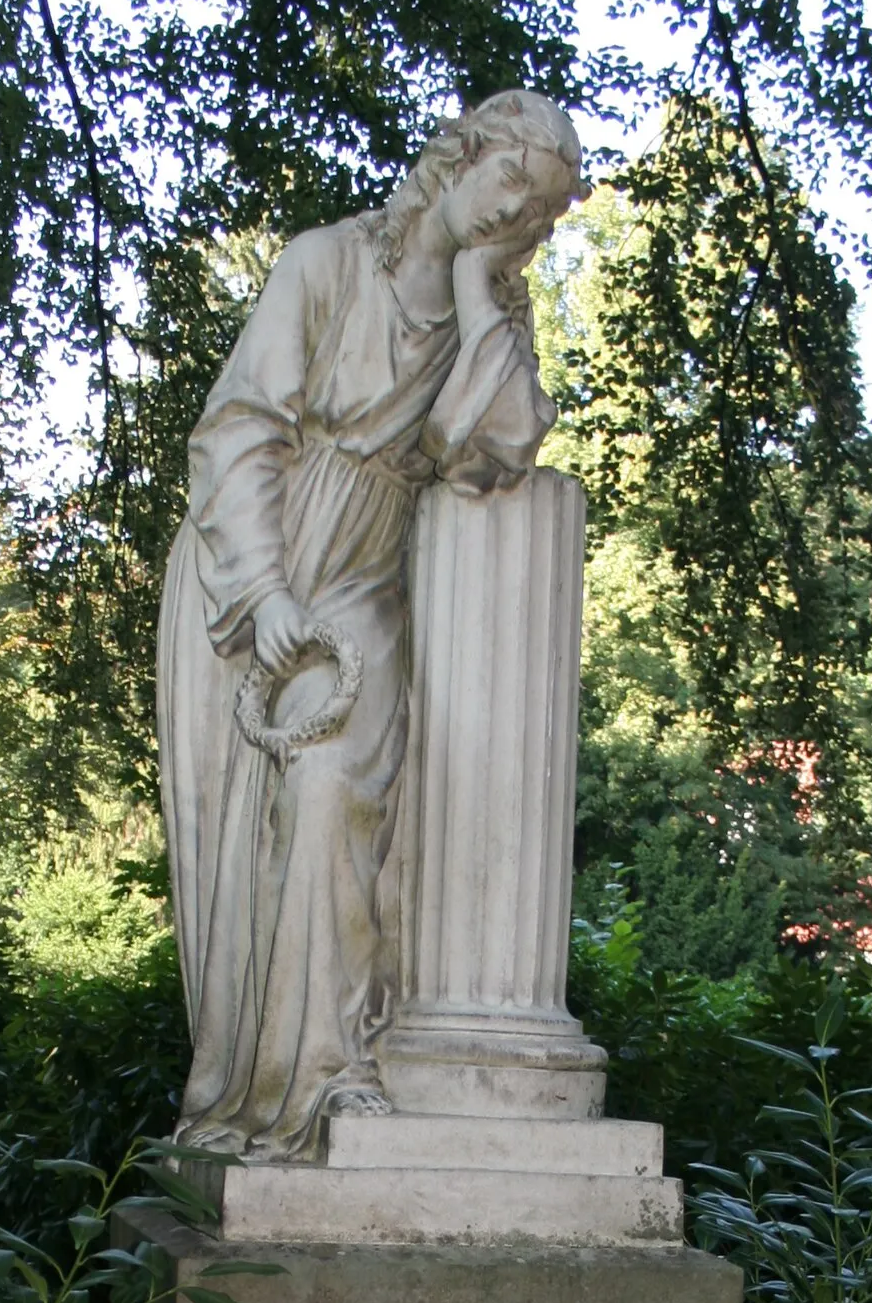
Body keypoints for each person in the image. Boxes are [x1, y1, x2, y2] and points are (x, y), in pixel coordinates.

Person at [157, 88, 584, 1160]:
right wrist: (258, 595)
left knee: (329, 783)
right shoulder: (327, 262)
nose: (512, 217)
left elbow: (495, 449)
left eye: (535, 214)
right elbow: (237, 433)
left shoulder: (485, 319)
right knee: (242, 858)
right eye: (505, 182)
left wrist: (482, 293)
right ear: (460, 156)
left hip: (363, 575)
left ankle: (326, 1080)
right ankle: (243, 1096)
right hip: (249, 553)